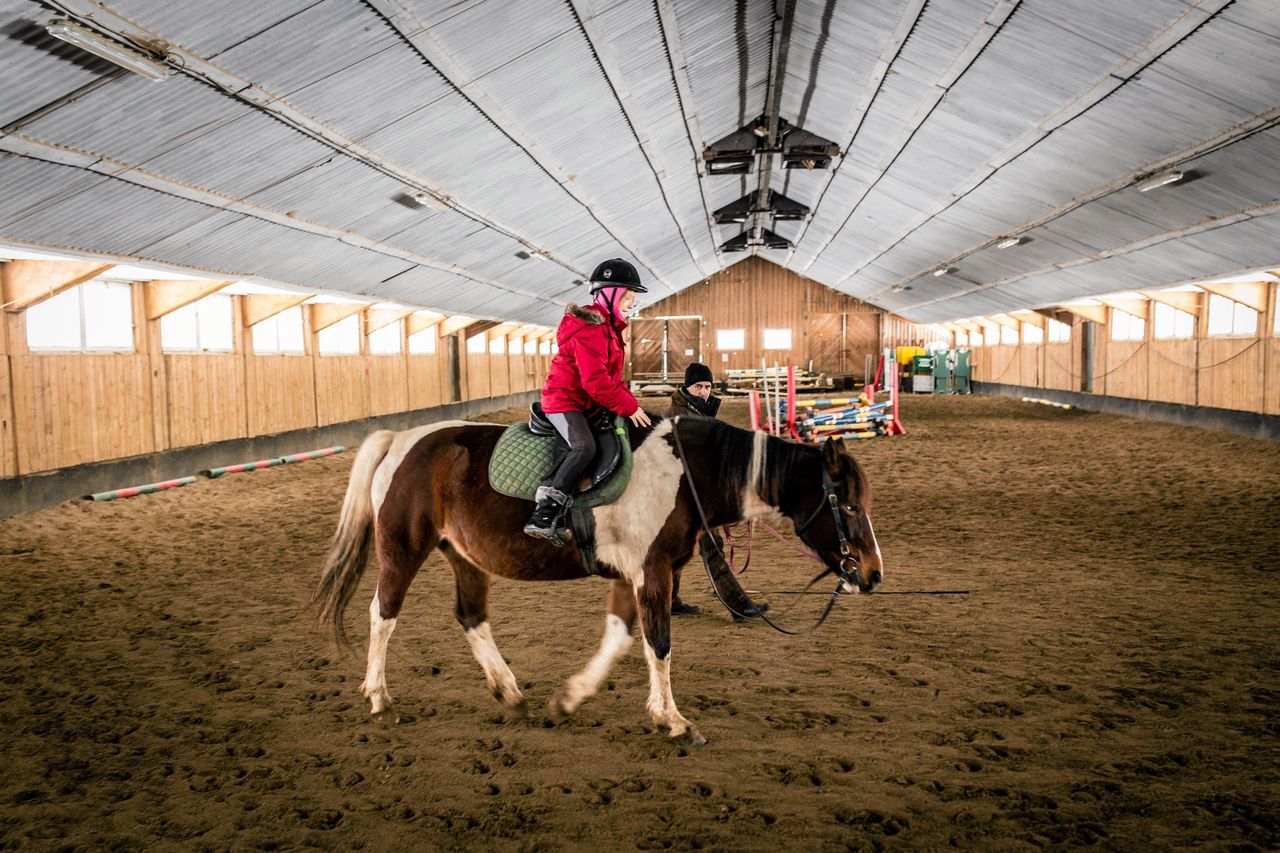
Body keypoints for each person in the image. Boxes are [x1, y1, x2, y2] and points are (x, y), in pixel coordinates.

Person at [524, 259, 652, 545]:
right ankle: (544, 512)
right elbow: (595, 381)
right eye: (628, 297)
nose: (631, 304)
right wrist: (629, 407)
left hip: (586, 403)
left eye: (632, 299)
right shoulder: (591, 328)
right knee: (584, 446)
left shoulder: (609, 329)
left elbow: (613, 379)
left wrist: (632, 404)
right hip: (563, 400)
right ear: (610, 294)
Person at [662, 363, 767, 622]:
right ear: (688, 387)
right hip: (684, 497)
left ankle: (670, 601)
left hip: (692, 496)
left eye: (708, 387)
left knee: (677, 550)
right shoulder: (677, 415)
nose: (704, 392)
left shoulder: (700, 412)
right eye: (699, 386)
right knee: (712, 546)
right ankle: (738, 606)